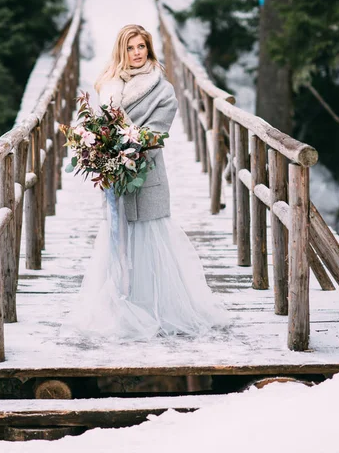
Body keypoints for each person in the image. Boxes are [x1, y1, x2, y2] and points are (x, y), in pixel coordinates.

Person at [69, 24, 229, 341]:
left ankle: (155, 308)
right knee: (117, 240)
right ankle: (119, 306)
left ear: (150, 49)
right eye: (131, 48)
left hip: (147, 173)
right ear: (121, 52)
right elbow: (93, 125)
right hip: (116, 179)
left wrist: (122, 142)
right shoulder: (107, 86)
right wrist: (99, 149)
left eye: (142, 46)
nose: (137, 53)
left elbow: (156, 134)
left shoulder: (163, 90)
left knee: (149, 241)